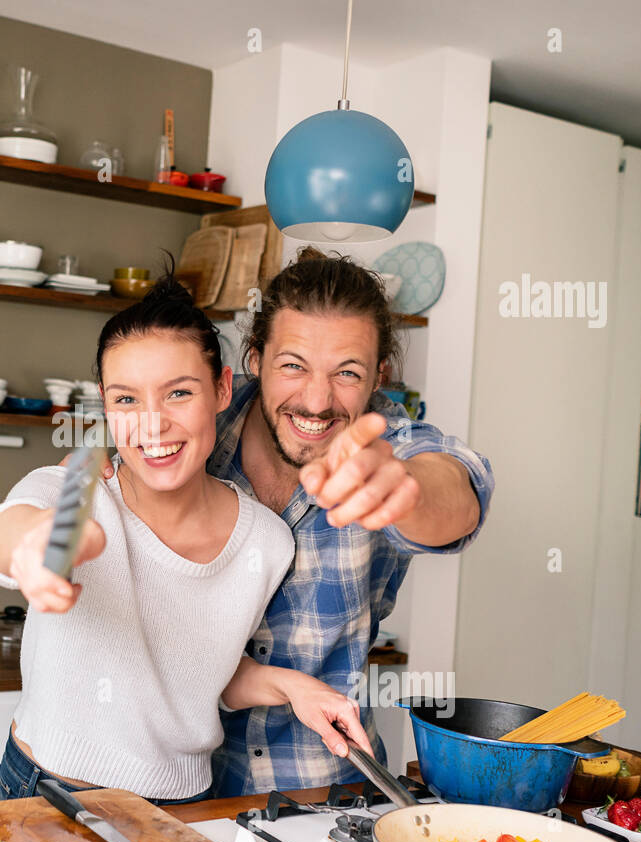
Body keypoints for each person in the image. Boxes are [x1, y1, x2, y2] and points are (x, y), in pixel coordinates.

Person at [102, 248, 495, 796]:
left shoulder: (392, 450)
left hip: (321, 789)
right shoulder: (195, 425)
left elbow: (461, 489)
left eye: (347, 373)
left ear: (379, 377)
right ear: (254, 359)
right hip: (173, 786)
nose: (315, 401)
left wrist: (405, 493)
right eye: (293, 365)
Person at [0, 274, 374, 805]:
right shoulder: (78, 495)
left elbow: (202, 674)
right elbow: (9, 530)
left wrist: (292, 687)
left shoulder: (267, 540)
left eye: (179, 393)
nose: (152, 425)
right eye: (126, 399)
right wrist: (30, 549)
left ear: (224, 391)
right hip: (50, 793)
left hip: (187, 804)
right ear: (105, 405)